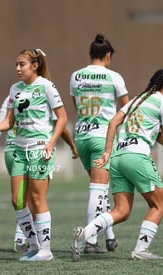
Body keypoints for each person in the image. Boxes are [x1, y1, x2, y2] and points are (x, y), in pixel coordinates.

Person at [0, 49, 67, 262]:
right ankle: (34, 245)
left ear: (34, 66)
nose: (17, 68)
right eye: (16, 65)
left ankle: (46, 250)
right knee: (17, 201)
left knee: (37, 199)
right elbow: (9, 121)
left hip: (39, 149)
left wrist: (51, 142)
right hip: (18, 150)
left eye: (22, 64)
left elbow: (62, 118)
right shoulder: (14, 89)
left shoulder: (46, 86)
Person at [71, 69, 163, 261]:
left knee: (122, 211)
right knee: (159, 205)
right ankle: (141, 250)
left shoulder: (137, 100)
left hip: (118, 156)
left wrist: (106, 152)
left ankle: (85, 233)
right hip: (136, 157)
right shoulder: (161, 101)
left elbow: (113, 122)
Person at [0, 96, 78, 253]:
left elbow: (1, 119)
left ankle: (27, 240)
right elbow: (60, 124)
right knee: (33, 197)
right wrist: (71, 145)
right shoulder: (44, 95)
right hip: (34, 149)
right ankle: (23, 238)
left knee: (21, 197)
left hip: (11, 150)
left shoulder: (11, 96)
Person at [70, 34, 129, 254]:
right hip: (102, 137)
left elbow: (75, 105)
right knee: (99, 188)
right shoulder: (114, 77)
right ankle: (90, 240)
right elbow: (125, 109)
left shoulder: (76, 76)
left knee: (100, 189)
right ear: (108, 55)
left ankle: (110, 237)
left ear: (89, 54)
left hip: (82, 135)